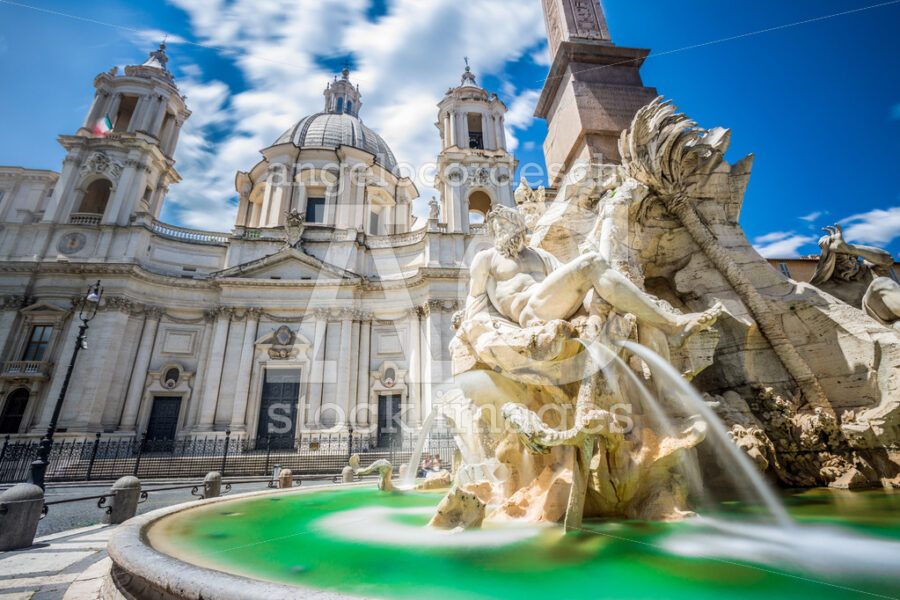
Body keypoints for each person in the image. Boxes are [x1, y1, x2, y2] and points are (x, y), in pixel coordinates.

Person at [465, 205, 722, 348]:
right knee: (592, 263)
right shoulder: (486, 258)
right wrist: (480, 332)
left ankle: (668, 399)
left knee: (624, 305)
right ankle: (672, 324)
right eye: (497, 226)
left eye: (506, 224)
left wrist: (597, 305)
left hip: (559, 304)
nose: (501, 230)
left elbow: (569, 283)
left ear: (520, 226)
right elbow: (475, 302)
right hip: (530, 312)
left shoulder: (539, 254)